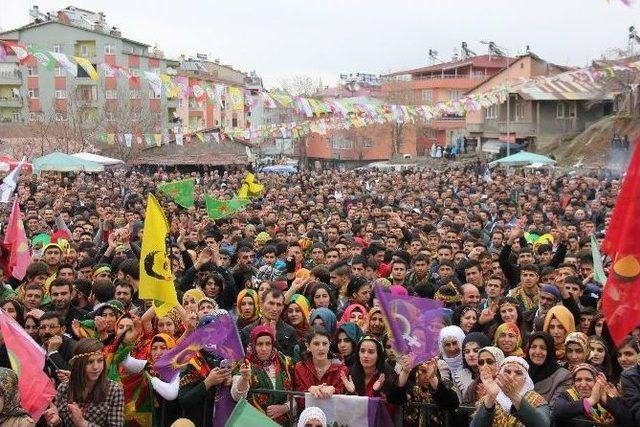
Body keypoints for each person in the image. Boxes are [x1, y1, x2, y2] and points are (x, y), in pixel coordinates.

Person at [43, 338, 125, 427]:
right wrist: (57, 421)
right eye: (90, 362)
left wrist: (83, 424)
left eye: (100, 360)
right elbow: (61, 423)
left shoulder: (114, 390)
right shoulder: (63, 388)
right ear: (79, 364)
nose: (96, 367)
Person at [231, 324, 295, 424]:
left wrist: (285, 408)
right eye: (260, 344)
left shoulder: (285, 362)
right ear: (253, 345)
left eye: (268, 344)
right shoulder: (244, 364)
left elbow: (298, 394)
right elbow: (237, 397)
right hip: (254, 422)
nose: (264, 349)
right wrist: (244, 378)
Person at [470, 356, 550, 427]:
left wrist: (514, 397)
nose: (511, 377)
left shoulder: (536, 400)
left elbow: (543, 424)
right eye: (507, 372)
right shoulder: (488, 399)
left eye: (518, 373)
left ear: (525, 379)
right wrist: (491, 397)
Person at [553, 363, 628, 426]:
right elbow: (558, 412)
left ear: (596, 381)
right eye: (578, 380)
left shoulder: (608, 396)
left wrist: (605, 399)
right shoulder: (567, 395)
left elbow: (627, 418)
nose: (583, 384)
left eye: (588, 380)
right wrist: (590, 401)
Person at [294, 326, 348, 408]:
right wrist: (308, 391)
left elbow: (345, 401)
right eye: (316, 344)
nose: (321, 348)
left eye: (325, 343)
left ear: (329, 345)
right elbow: (297, 400)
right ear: (308, 346)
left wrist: (334, 390)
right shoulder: (299, 368)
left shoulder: (341, 369)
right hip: (307, 417)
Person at [526, 331, 572, 409]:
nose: (537, 352)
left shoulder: (563, 377)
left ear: (550, 351)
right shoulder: (520, 370)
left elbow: (553, 410)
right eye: (533, 347)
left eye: (543, 348)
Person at [455, 332, 490, 398]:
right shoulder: (460, 376)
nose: (471, 355)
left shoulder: (495, 374)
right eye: (467, 351)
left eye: (476, 350)